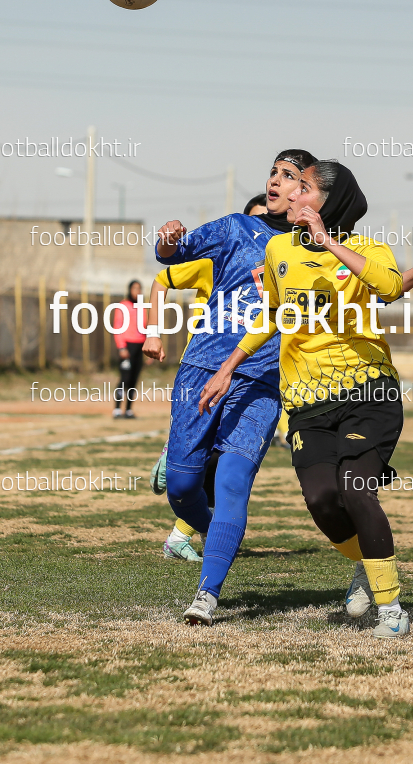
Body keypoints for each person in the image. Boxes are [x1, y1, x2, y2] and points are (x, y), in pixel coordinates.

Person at [200, 159, 413, 639]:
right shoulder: (279, 249)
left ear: (329, 202)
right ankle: (367, 563)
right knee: (322, 500)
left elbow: (390, 287)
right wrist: (228, 367)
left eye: (303, 187)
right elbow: (273, 313)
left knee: (356, 488)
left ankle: (391, 609)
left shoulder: (366, 248)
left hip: (368, 392)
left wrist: (328, 241)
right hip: (306, 401)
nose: (292, 194)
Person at [155, 150, 317, 625]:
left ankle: (207, 593)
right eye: (273, 173)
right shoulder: (234, 228)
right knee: (182, 486)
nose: (275, 182)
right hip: (201, 368)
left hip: (262, 381)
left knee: (231, 483)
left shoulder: (318, 248)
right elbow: (172, 256)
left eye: (289, 176)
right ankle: (219, 535)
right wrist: (169, 239)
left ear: (308, 191)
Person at [145, 194, 268, 563]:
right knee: (210, 464)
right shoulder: (219, 256)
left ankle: (186, 533)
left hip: (254, 372)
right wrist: (153, 331)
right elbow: (161, 278)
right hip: (205, 369)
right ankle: (178, 459)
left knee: (229, 464)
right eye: (257, 220)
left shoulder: (284, 262)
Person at [113, 280, 147, 419]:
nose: (137, 291)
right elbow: (117, 327)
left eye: (139, 288)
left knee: (134, 379)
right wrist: (121, 347)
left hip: (140, 346)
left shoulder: (142, 307)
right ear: (129, 290)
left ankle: (128, 410)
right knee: (124, 379)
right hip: (127, 346)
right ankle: (117, 409)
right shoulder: (123, 306)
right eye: (135, 288)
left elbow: (146, 327)